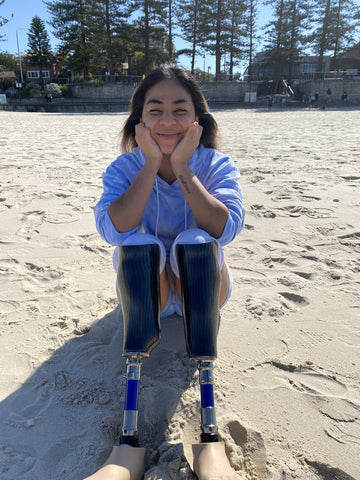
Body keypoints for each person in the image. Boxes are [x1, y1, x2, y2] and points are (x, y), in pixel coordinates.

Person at [88, 65, 246, 480]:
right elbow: (113, 228)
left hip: (202, 286)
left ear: (197, 119)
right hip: (148, 289)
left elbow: (223, 229)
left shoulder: (216, 164)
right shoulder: (124, 168)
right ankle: (127, 444)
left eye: (180, 109)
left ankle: (210, 437)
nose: (168, 120)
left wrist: (182, 167)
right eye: (155, 110)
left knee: (196, 242)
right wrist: (151, 163)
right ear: (140, 121)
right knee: (138, 245)